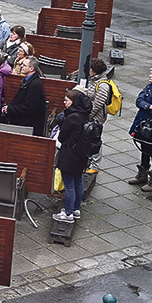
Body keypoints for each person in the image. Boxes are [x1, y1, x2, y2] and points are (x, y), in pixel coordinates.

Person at [51, 88, 93, 223]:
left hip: (69, 155)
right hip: (81, 155)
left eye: (67, 100)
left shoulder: (72, 118)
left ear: (73, 102)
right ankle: (76, 209)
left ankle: (68, 214)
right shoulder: (85, 115)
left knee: (69, 185)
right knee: (78, 182)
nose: (64, 102)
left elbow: (62, 137)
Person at [1, 56, 47, 136]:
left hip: (27, 125)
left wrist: (10, 109)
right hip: (21, 120)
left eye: (24, 65)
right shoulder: (26, 80)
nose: (21, 66)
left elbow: (29, 107)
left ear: (31, 69)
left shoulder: (35, 84)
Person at [85, 58, 112, 172]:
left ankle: (95, 165)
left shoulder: (102, 85)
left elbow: (98, 104)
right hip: (93, 116)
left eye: (90, 69)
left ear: (94, 71)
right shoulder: (96, 80)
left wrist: (89, 116)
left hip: (97, 118)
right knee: (89, 138)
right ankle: (90, 160)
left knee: (95, 140)